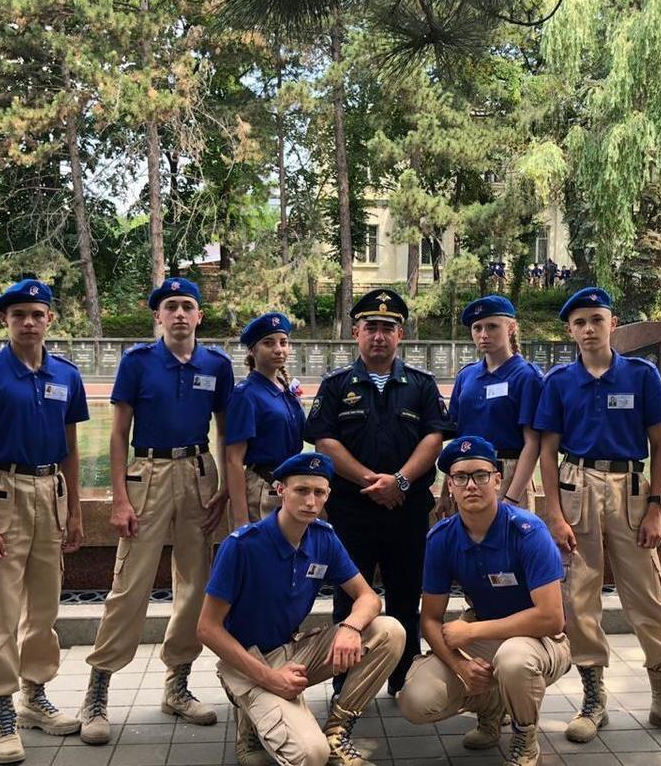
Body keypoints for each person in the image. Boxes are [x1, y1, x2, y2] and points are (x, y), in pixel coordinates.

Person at [535, 286, 661, 746]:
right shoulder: (559, 381)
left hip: (631, 491)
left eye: (597, 319)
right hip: (576, 486)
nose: (589, 329)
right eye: (579, 323)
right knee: (579, 598)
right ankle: (593, 700)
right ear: (570, 330)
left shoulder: (640, 375)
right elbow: (547, 452)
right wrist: (553, 513)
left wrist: (657, 507)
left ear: (612, 323)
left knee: (648, 597)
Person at [79, 277, 232, 744]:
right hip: (148, 474)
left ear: (199, 315)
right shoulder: (138, 362)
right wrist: (119, 497)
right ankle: (98, 689)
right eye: (171, 306)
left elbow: (225, 430)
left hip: (198, 474)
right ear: (158, 316)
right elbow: (117, 432)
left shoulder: (217, 364)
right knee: (130, 583)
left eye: (187, 305)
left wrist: (225, 486)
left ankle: (177, 684)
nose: (180, 313)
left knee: (196, 584)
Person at [197, 452, 405, 766]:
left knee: (389, 630)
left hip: (292, 650)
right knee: (310, 757)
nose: (311, 501)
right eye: (301, 490)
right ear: (280, 490)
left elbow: (368, 597)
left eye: (319, 493)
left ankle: (336, 736)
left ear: (328, 495)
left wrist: (351, 628)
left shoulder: (323, 538)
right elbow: (207, 629)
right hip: (247, 660)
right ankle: (250, 717)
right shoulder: (242, 546)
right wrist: (270, 678)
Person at [0, 278, 89, 764]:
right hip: (2, 490)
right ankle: (1, 710)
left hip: (50, 491)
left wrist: (75, 510)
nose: (29, 323)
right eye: (19, 315)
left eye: (37, 314)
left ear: (50, 319)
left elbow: (71, 446)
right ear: (5, 321)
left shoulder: (66, 374)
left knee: (44, 606)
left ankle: (33, 696)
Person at [303, 287, 453, 696]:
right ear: (356, 332)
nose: (379, 336)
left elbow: (434, 438)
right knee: (349, 598)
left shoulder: (421, 385)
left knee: (406, 594)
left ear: (400, 334)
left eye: (388, 328)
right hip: (353, 511)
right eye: (371, 327)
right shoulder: (336, 385)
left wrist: (399, 481)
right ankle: (346, 679)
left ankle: (403, 677)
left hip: (407, 509)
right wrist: (374, 481)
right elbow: (325, 442)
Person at [398, 436, 571, 766]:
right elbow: (429, 618)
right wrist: (460, 666)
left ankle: (525, 744)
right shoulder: (442, 538)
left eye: (480, 475)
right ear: (450, 485)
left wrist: (473, 630)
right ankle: (492, 708)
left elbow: (552, 618)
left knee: (513, 659)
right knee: (416, 699)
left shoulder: (527, 531)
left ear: (497, 479)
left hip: (541, 640)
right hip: (486, 635)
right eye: (460, 477)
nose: (471, 485)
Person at [439, 295, 541, 515]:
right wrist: (446, 492)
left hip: (508, 476)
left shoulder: (526, 376)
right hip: (466, 477)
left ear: (511, 328)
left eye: (492, 326)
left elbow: (532, 443)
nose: (483, 334)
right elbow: (458, 439)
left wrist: (512, 498)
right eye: (477, 328)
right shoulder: (466, 376)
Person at [224, 312, 305, 527]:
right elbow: (233, 460)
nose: (278, 349)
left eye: (283, 342)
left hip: (290, 486)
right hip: (262, 489)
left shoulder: (285, 389)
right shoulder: (246, 394)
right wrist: (241, 519)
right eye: (268, 343)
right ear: (253, 350)